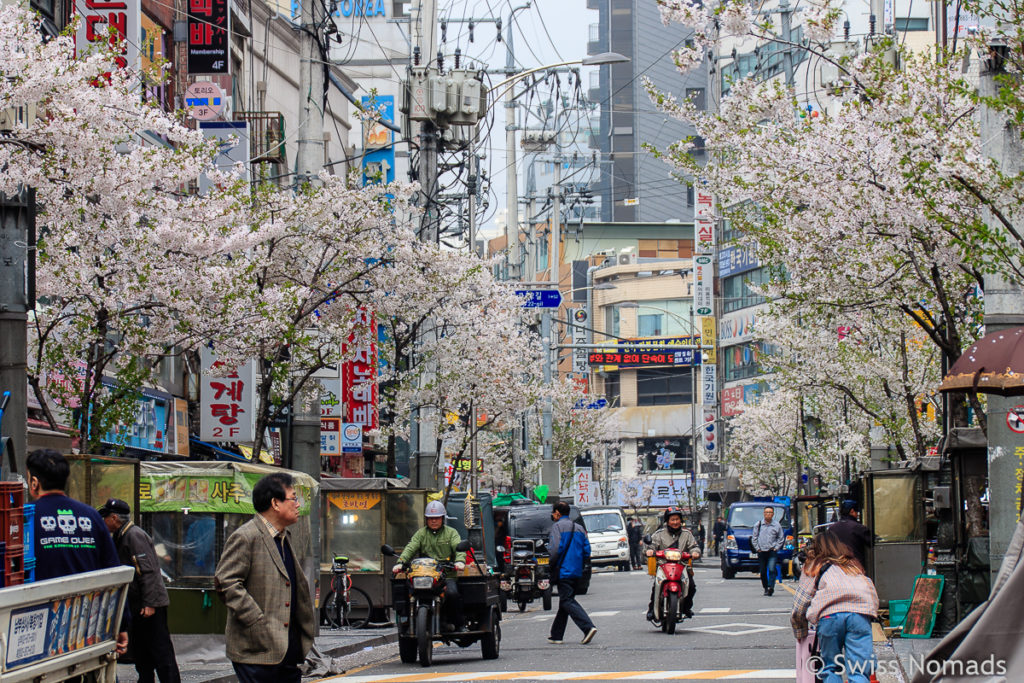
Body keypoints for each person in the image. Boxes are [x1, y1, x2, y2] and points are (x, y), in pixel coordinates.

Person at [214, 472, 315, 683]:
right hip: (257, 650)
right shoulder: (246, 536)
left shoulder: (284, 537)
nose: (298, 504)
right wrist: (256, 621)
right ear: (275, 503)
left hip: (287, 648)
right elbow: (226, 582)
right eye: (293, 498)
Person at [27, 449, 128, 657]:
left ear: (35, 482)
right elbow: (114, 572)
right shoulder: (91, 516)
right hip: (87, 628)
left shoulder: (27, 517)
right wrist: (122, 623)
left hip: (40, 628)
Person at [99, 498, 180, 683]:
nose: (104, 522)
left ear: (114, 518)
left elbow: (149, 571)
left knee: (161, 651)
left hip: (150, 605)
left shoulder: (133, 535)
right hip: (138, 605)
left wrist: (150, 603)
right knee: (143, 651)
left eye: (106, 517)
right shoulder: (121, 535)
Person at [791, 530, 878, 683]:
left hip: (830, 616)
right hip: (859, 614)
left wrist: (800, 630)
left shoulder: (814, 565)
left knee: (830, 667)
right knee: (859, 669)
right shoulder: (853, 565)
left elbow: (800, 604)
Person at [393, 500, 467, 631]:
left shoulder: (451, 533)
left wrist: (459, 561)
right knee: (405, 590)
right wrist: (400, 562)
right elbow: (411, 547)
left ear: (442, 518)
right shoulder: (421, 534)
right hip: (423, 575)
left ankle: (458, 623)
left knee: (452, 593)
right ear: (426, 519)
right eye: (431, 518)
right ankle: (406, 620)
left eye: (437, 518)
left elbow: (458, 547)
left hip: (446, 576)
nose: (434, 521)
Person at [547, 501, 597, 645]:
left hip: (564, 570)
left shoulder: (557, 527)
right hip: (577, 571)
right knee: (565, 601)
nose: (552, 515)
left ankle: (588, 627)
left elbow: (555, 549)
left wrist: (550, 564)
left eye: (553, 512)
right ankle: (556, 635)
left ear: (557, 513)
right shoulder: (580, 528)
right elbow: (587, 550)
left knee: (567, 601)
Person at [645, 507, 700, 621]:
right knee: (657, 585)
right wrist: (649, 551)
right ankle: (651, 609)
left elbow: (694, 547)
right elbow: (651, 546)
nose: (675, 522)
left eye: (677, 519)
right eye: (672, 520)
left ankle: (686, 607)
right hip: (663, 566)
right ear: (667, 521)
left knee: (692, 586)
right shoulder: (659, 534)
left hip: (682, 566)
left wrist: (695, 552)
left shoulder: (687, 534)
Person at [751, 506, 785, 596]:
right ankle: (765, 587)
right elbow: (754, 538)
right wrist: (757, 548)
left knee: (772, 569)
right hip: (761, 551)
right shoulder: (758, 525)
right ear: (764, 513)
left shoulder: (777, 525)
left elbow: (781, 538)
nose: (768, 514)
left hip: (771, 551)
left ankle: (771, 587)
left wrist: (776, 548)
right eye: (766, 512)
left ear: (773, 514)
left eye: (770, 512)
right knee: (762, 571)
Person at [830, 500, 872, 571]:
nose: (857, 515)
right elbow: (873, 542)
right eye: (857, 512)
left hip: (836, 569)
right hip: (855, 568)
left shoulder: (831, 529)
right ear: (852, 511)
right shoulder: (858, 528)